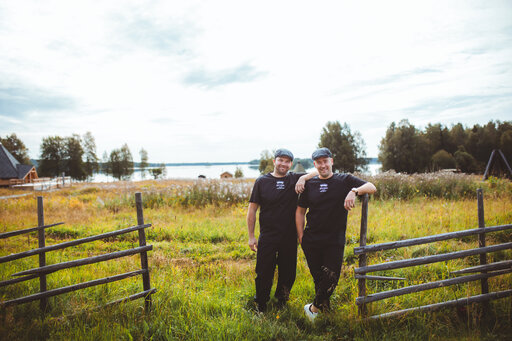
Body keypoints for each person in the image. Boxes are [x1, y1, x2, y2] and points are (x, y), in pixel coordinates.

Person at [295, 147, 376, 321]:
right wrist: (301, 236)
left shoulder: (344, 180)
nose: (323, 165)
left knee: (332, 276)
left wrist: (354, 191)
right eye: (319, 162)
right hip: (311, 239)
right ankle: (325, 310)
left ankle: (312, 308)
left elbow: (371, 187)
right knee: (319, 278)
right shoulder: (310, 184)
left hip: (334, 239)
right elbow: (300, 211)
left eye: (326, 161)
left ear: (332, 161)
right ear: (315, 164)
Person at [247, 148, 318, 312]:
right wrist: (251, 236)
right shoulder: (262, 182)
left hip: (289, 236)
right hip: (268, 235)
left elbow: (318, 172)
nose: (283, 164)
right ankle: (261, 304)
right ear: (274, 161)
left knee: (288, 272)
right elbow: (252, 210)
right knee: (264, 271)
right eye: (280, 160)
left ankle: (281, 302)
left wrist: (303, 178)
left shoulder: (294, 178)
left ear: (291, 164)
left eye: (287, 161)